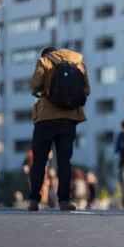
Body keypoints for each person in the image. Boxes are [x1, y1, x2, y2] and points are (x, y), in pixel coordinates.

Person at [27, 46, 90, 212]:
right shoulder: (77, 62)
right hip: (68, 119)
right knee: (64, 162)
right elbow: (86, 91)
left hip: (45, 119)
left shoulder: (44, 61)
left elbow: (34, 84)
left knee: (39, 160)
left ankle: (34, 200)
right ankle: (64, 201)